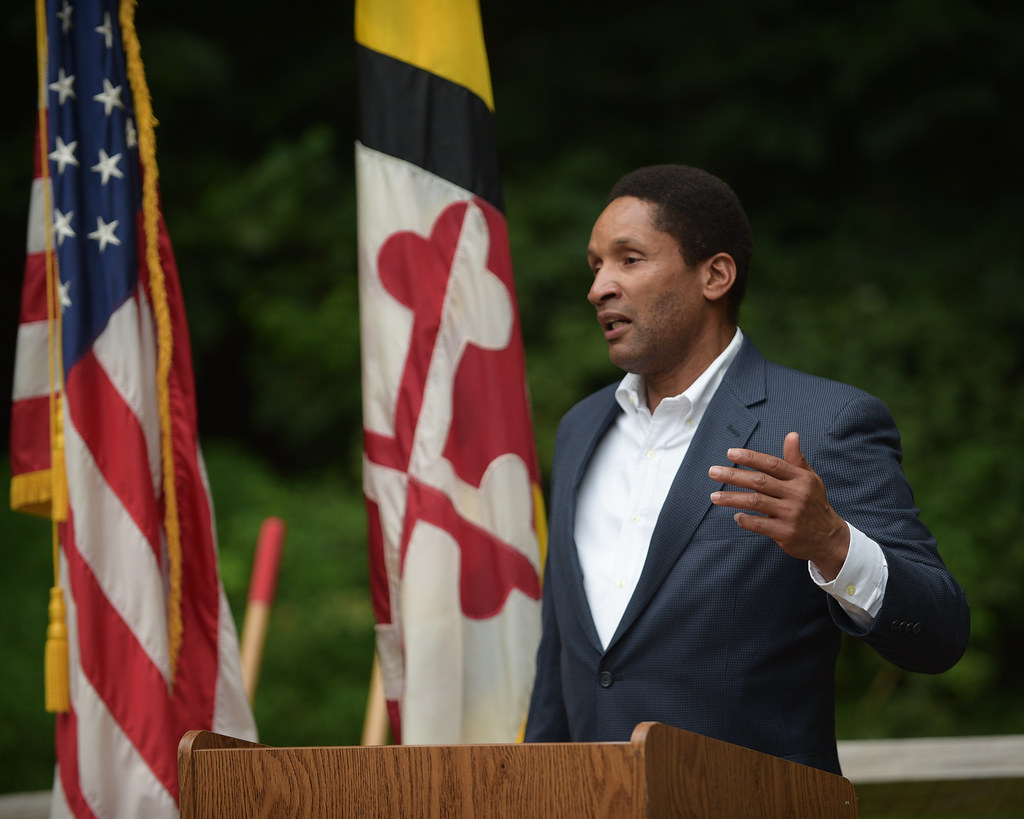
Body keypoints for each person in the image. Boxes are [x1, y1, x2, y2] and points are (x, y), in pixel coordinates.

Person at [523, 164, 970, 775]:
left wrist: (833, 545)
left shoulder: (825, 422)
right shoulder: (579, 429)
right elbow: (562, 658)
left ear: (715, 275)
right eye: (595, 265)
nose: (599, 286)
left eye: (629, 259)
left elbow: (941, 633)